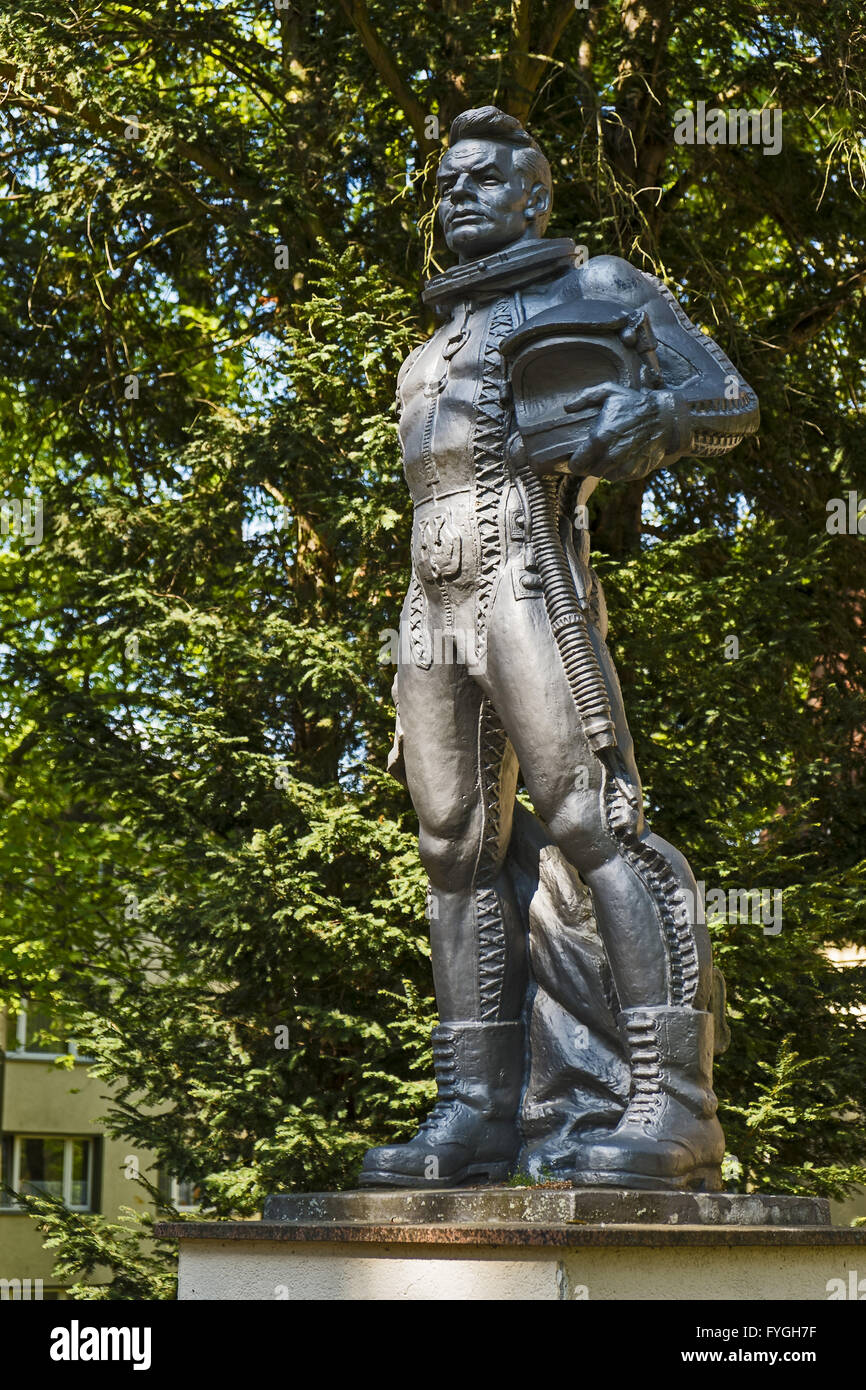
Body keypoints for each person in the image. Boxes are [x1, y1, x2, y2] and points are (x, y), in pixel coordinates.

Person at [360, 106, 759, 1190]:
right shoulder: (431, 341)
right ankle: (475, 1113)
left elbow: (726, 399)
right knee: (450, 848)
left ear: (536, 196)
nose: (458, 195)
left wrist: (653, 421)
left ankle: (670, 1105)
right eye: (446, 181)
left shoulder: (601, 288)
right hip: (428, 599)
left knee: (593, 819)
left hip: (524, 573)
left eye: (485, 178)